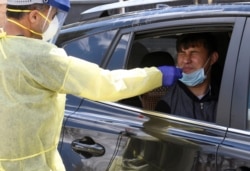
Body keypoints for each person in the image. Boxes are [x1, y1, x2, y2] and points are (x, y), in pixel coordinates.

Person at [0, 0, 182, 170]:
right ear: (34, 17)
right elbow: (105, 84)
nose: (54, 22)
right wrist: (157, 75)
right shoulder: (41, 57)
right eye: (54, 14)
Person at [155, 33, 220, 122]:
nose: (186, 60)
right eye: (182, 53)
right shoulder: (167, 103)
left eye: (194, 52)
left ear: (212, 58)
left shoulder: (228, 97)